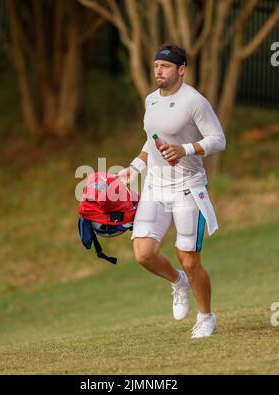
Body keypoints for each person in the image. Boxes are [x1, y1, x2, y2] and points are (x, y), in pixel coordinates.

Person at [117, 43, 226, 339]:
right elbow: (151, 141)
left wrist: (186, 149)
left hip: (188, 188)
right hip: (155, 186)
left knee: (189, 259)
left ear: (181, 70)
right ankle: (178, 283)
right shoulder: (151, 100)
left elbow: (218, 139)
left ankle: (206, 317)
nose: (158, 71)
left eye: (164, 67)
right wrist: (134, 168)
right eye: (155, 66)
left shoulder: (195, 102)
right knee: (143, 253)